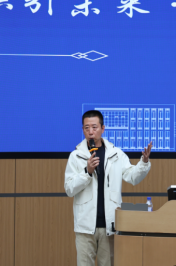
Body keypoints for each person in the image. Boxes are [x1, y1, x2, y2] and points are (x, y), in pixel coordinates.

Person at [65, 110, 152, 266]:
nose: (90, 132)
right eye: (86, 128)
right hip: (85, 227)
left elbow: (132, 177)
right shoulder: (76, 156)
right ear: (83, 130)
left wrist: (143, 163)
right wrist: (87, 172)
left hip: (109, 226)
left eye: (94, 127)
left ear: (102, 128)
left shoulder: (116, 154)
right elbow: (69, 188)